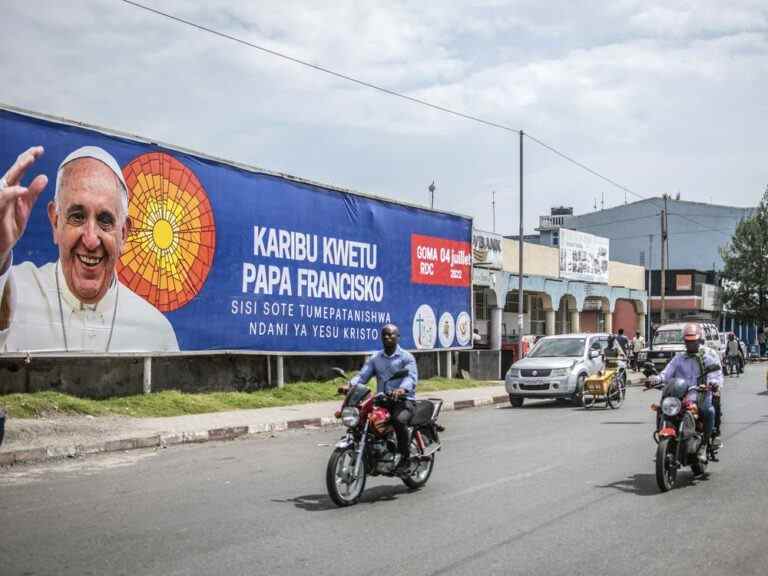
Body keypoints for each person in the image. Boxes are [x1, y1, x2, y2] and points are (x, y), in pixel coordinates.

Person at [0, 145, 179, 352]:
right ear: (55, 222)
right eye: (77, 216)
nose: (91, 240)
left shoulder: (156, 332)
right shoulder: (15, 290)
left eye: (105, 221)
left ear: (124, 233)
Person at [340, 324, 418, 475]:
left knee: (398, 420)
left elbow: (411, 378)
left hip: (403, 400)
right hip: (382, 400)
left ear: (398, 337)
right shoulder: (376, 358)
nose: (387, 337)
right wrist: (349, 385)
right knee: (363, 419)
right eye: (384, 335)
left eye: (391, 335)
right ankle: (373, 452)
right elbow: (363, 376)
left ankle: (405, 459)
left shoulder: (406, 357)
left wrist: (402, 389)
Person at [649, 323, 723, 462]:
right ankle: (664, 442)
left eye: (693, 340)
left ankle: (704, 446)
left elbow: (716, 374)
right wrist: (656, 379)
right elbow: (667, 372)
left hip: (701, 393)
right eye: (687, 341)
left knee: (709, 411)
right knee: (663, 409)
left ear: (699, 339)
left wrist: (713, 383)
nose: (690, 344)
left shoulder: (708, 354)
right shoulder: (679, 357)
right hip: (681, 395)